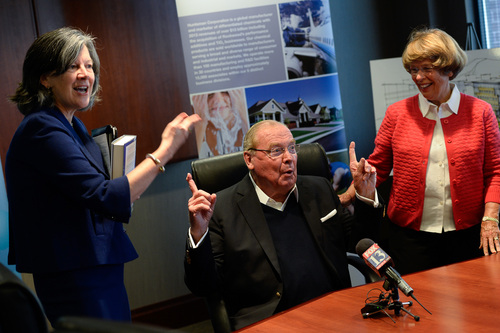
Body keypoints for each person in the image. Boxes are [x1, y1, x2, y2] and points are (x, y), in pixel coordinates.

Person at [5, 27, 200, 325]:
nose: (86, 74)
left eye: (90, 66)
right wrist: (167, 148)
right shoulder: (41, 129)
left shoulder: (73, 125)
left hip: (95, 263)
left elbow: (102, 192)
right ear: (44, 77)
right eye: (73, 66)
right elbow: (104, 196)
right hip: (74, 273)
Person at [184, 120, 383, 330]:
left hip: (333, 310)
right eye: (277, 151)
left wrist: (366, 196)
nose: (289, 158)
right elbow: (203, 285)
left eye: (292, 148)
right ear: (249, 159)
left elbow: (359, 243)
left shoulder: (319, 189)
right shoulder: (222, 209)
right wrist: (198, 234)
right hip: (270, 320)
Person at [343, 27, 500, 275]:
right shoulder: (397, 113)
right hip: (409, 239)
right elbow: (378, 167)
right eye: (413, 70)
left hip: (468, 235)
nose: (418, 77)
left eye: (426, 69)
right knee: (418, 306)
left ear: (449, 69)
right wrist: (347, 195)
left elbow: (495, 172)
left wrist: (490, 220)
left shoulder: (481, 113)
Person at [191, 89, 249, 158]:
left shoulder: (244, 121)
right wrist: (201, 123)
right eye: (210, 94)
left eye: (225, 91)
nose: (218, 100)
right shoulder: (195, 121)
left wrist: (243, 115)